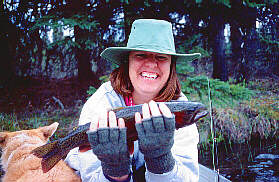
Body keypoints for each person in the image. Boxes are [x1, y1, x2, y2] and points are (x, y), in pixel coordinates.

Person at [65, 19, 201, 182]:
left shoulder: (181, 109)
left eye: (161, 57)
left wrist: (161, 161)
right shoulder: (101, 103)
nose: (151, 63)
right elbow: (89, 177)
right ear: (127, 62)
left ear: (171, 66)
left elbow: (188, 178)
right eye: (141, 55)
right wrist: (115, 171)